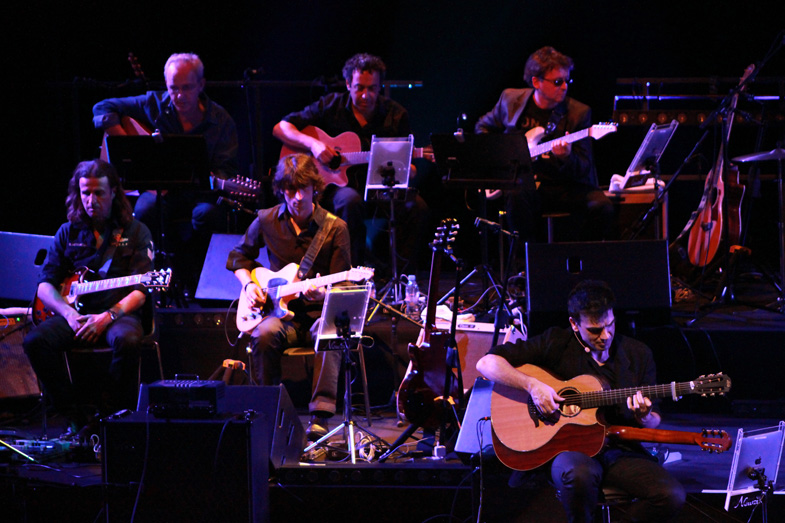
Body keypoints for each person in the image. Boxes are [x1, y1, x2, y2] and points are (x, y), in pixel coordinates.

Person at [476, 280, 685, 523]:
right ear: (574, 324)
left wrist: (644, 415)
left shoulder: (638, 354)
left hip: (619, 451)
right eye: (595, 330)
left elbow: (653, 422)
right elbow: (486, 364)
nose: (605, 336)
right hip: (568, 450)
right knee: (579, 474)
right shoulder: (556, 342)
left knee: (671, 495)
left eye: (610, 325)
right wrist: (533, 386)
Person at [23, 159, 154, 440]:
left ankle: (114, 418)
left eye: (99, 193)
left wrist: (108, 317)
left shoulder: (136, 232)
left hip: (119, 315)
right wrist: (69, 315)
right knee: (34, 341)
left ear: (114, 193)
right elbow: (45, 286)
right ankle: (74, 414)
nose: (91, 200)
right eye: (85, 193)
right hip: (77, 315)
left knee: (127, 340)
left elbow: (142, 289)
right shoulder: (67, 231)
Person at [227, 153, 352, 440]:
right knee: (264, 334)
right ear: (282, 189)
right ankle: (267, 412)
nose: (297, 197)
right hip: (281, 316)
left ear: (314, 189)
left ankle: (320, 416)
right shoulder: (266, 220)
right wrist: (248, 285)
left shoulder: (335, 229)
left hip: (318, 315)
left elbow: (344, 290)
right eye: (290, 190)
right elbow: (237, 257)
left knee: (329, 328)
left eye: (303, 189)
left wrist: (322, 295)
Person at [93, 52, 239, 290]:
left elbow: (227, 170)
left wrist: (213, 180)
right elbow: (102, 107)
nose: (179, 96)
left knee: (206, 215)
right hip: (160, 189)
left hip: (200, 195)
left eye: (187, 88)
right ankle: (145, 283)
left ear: (201, 85)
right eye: (173, 88)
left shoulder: (221, 120)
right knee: (145, 208)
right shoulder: (155, 104)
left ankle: (200, 280)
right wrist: (131, 144)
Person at [273, 52, 429, 273]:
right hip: (337, 188)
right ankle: (351, 275)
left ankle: (402, 277)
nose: (366, 95)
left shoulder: (395, 115)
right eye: (359, 88)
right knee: (350, 201)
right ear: (348, 84)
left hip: (381, 188)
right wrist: (314, 145)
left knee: (417, 206)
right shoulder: (331, 105)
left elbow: (407, 166)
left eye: (372, 88)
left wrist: (407, 170)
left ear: (380, 86)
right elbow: (281, 128)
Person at [475, 46, 614, 244]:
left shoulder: (578, 113)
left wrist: (566, 156)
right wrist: (502, 157)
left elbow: (584, 166)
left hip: (563, 186)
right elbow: (482, 128)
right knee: (517, 197)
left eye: (567, 80)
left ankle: (583, 262)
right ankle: (527, 264)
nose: (564, 86)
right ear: (536, 82)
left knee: (602, 207)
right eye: (558, 82)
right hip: (524, 185)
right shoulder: (510, 100)